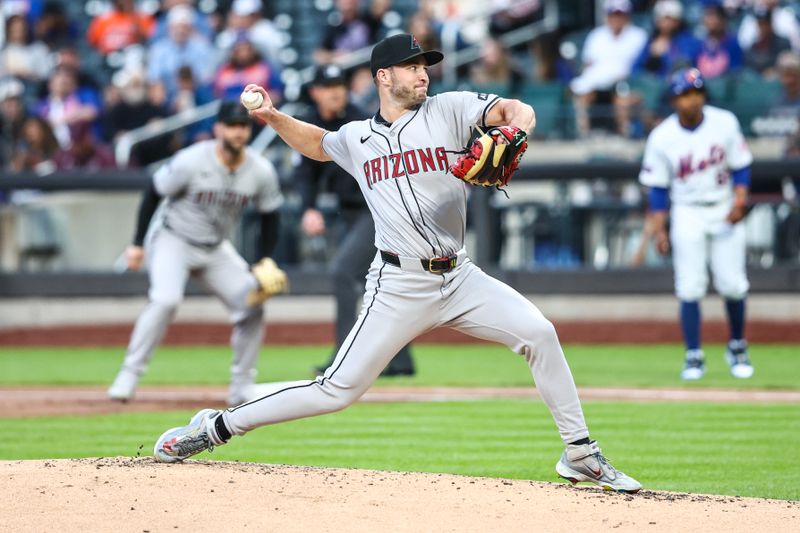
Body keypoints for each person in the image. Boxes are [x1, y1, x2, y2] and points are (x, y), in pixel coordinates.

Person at [151, 33, 642, 494]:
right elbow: (319, 144)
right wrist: (274, 117)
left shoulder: (449, 110)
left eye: (424, 65)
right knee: (335, 391)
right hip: (398, 284)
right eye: (411, 66)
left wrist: (516, 128)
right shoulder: (357, 137)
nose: (423, 73)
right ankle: (215, 426)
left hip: (460, 275)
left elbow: (515, 108)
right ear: (383, 76)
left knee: (540, 333)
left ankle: (579, 452)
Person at [108, 101, 284, 406]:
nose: (238, 132)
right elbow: (154, 191)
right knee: (165, 300)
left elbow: (270, 216)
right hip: (173, 239)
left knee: (252, 305)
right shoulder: (191, 160)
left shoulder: (260, 170)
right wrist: (137, 243)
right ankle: (129, 374)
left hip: (216, 248)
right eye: (231, 125)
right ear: (217, 129)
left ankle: (241, 386)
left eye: (243, 126)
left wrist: (263, 261)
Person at [298, 64, 415, 377]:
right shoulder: (314, 121)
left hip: (377, 211)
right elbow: (306, 173)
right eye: (328, 85)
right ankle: (401, 361)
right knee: (384, 284)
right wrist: (309, 208)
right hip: (351, 213)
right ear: (315, 92)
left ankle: (345, 358)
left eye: (340, 84)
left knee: (341, 274)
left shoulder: (362, 118)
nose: (336, 90)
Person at [638, 68, 754, 381]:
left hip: (722, 204)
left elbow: (741, 167)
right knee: (690, 285)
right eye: (685, 94)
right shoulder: (663, 136)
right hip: (687, 210)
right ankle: (693, 354)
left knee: (732, 283)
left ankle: (738, 346)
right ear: (675, 99)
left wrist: (740, 201)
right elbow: (658, 191)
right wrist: (660, 230)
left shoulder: (724, 122)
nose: (691, 100)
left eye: (696, 93)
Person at [569, 0, 647, 137]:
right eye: (613, 14)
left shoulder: (638, 36)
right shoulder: (596, 35)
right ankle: (583, 136)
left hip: (625, 83)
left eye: (619, 14)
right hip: (597, 82)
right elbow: (588, 63)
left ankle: (625, 136)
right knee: (582, 97)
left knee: (622, 99)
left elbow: (639, 67)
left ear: (627, 15)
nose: (616, 18)